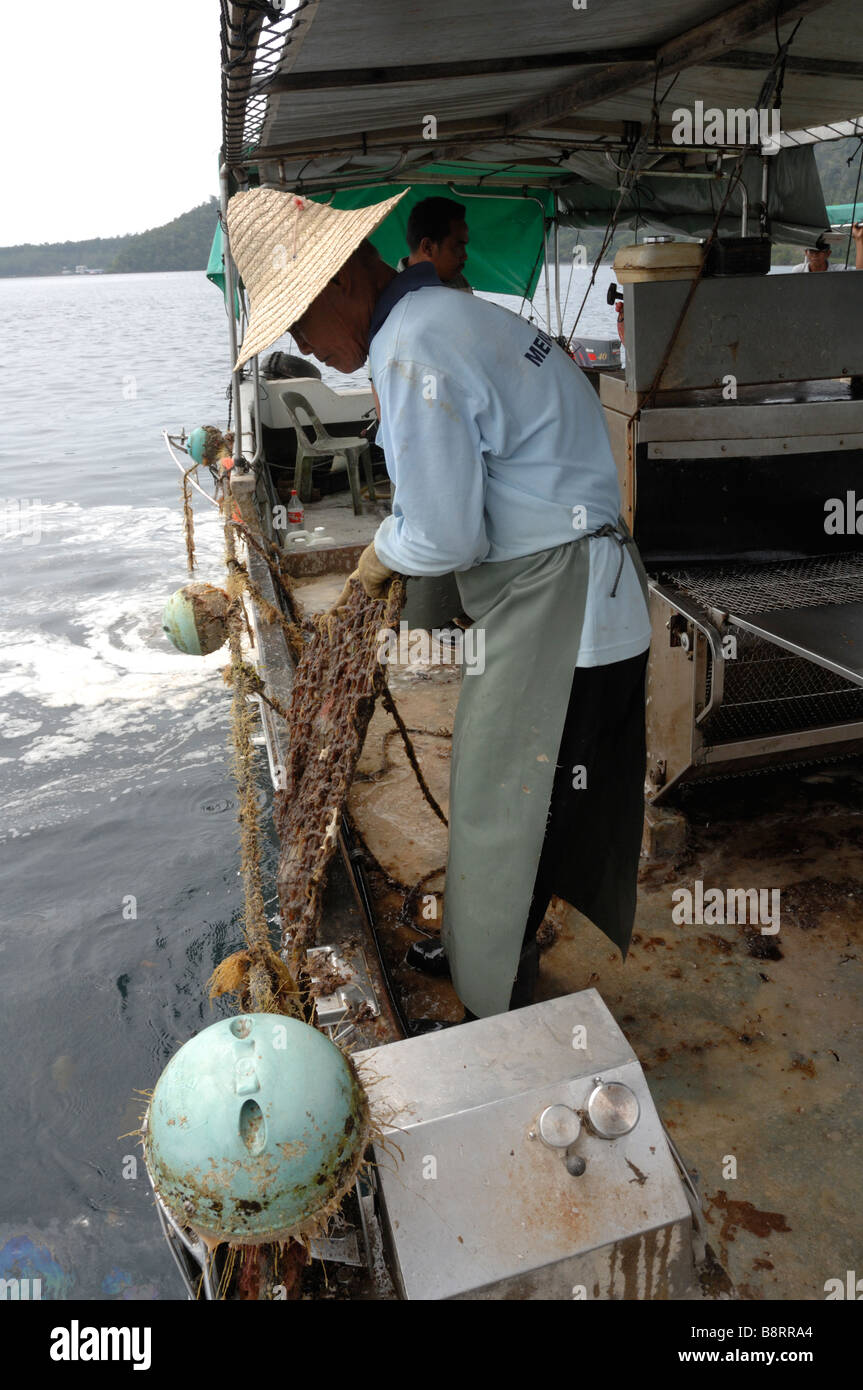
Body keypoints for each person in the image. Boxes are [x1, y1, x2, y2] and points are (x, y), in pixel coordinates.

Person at [228, 187, 651, 1022]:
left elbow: (446, 535)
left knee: (513, 806)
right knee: (524, 794)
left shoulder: (411, 343)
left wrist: (374, 564)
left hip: (562, 613)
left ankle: (497, 1000)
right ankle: (478, 941)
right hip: (587, 600)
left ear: (338, 285)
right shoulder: (453, 317)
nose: (307, 352)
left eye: (301, 329)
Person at [396, 196, 473, 292]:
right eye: (458, 246)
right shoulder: (393, 295)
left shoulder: (458, 281)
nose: (465, 256)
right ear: (428, 247)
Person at [792, 227, 863, 271]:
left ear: (828, 253)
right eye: (811, 251)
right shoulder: (798, 270)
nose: (815, 255)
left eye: (819, 251)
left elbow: (859, 274)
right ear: (806, 253)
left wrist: (859, 239)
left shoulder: (840, 270)